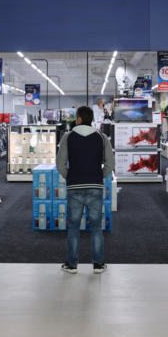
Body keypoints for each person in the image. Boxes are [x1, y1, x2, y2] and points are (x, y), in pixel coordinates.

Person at [56, 106, 114, 275]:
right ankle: (98, 264)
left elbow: (60, 164)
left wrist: (69, 176)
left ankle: (72, 264)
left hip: (74, 187)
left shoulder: (68, 137)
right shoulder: (102, 137)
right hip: (95, 187)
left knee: (73, 228)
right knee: (96, 228)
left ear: (79, 119)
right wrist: (100, 176)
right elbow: (110, 163)